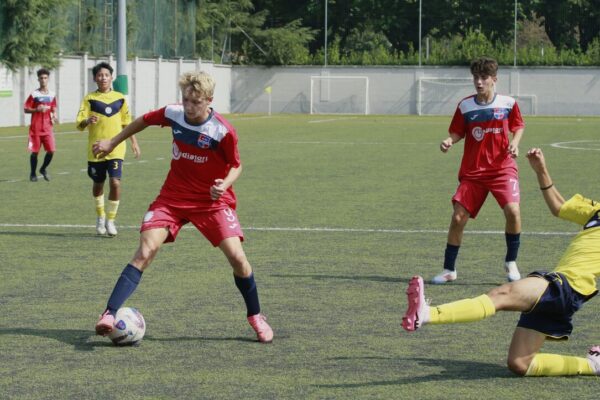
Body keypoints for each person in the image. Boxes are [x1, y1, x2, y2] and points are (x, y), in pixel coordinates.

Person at [91, 71, 273, 343]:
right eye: (186, 99)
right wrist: (112, 142)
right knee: (146, 249)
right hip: (172, 198)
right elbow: (142, 121)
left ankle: (255, 316)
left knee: (237, 258)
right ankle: (109, 313)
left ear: (209, 101)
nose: (188, 106)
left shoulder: (223, 131)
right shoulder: (173, 113)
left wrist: (224, 184)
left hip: (212, 202)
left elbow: (237, 165)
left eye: (195, 101)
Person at [402, 148, 600, 377]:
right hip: (564, 291)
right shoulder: (596, 211)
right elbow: (560, 207)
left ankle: (427, 314)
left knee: (502, 294)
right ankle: (592, 366)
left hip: (567, 285)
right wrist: (541, 170)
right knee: (520, 363)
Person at [433, 57, 525, 284]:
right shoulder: (465, 105)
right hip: (474, 173)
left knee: (513, 211)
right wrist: (449, 141)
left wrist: (515, 143)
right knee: (457, 217)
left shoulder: (508, 103)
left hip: (502, 169)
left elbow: (518, 125)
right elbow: (458, 131)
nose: (479, 82)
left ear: (494, 79)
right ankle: (449, 270)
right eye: (476, 77)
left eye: (484, 78)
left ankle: (511, 262)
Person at [76, 62, 140, 237]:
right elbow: (79, 123)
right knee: (98, 184)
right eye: (100, 75)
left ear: (111, 77)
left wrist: (134, 142)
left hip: (116, 148)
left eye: (106, 75)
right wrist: (87, 121)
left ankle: (111, 220)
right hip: (96, 149)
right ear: (95, 78)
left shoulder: (120, 98)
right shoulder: (89, 99)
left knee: (115, 182)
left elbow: (127, 123)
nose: (103, 77)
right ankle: (100, 216)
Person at [24, 68, 58, 182]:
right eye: (41, 78)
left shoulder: (52, 94)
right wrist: (36, 110)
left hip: (48, 128)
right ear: (38, 79)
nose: (43, 80)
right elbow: (26, 109)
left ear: (48, 79)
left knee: (51, 150)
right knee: (35, 152)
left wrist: (54, 115)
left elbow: (53, 107)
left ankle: (43, 169)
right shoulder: (34, 94)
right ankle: (33, 173)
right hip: (35, 129)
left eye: (45, 78)